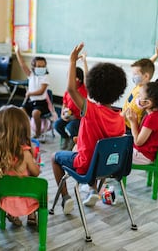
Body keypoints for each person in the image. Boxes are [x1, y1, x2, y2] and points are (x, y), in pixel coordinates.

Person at [51, 42, 127, 214]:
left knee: (55, 157)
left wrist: (72, 61)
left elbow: (71, 88)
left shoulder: (90, 110)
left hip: (87, 166)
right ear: (120, 91)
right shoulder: (120, 117)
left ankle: (65, 198)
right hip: (109, 168)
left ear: (91, 88)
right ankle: (93, 190)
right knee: (92, 153)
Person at [0, 105, 41, 226]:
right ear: (23, 129)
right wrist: (36, 164)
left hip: (0, 198)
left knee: (5, 184)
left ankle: (12, 214)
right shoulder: (25, 153)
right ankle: (31, 214)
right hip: (24, 197)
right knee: (33, 183)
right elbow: (36, 173)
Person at [125, 78, 158, 165]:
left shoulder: (152, 119)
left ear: (147, 103)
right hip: (141, 154)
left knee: (113, 153)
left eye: (139, 96)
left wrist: (133, 123)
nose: (137, 98)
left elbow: (138, 142)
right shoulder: (152, 115)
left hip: (142, 156)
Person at [122, 42, 158, 132]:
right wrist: (156, 55)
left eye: (135, 74)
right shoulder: (141, 85)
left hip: (128, 127)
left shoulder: (143, 95)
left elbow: (128, 113)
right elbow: (146, 67)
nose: (133, 76)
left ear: (146, 76)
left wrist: (114, 119)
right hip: (124, 121)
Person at [14, 44, 50, 139]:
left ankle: (38, 132)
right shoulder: (31, 75)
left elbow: (41, 91)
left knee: (35, 113)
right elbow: (22, 64)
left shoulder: (45, 77)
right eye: (38, 66)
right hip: (31, 102)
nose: (41, 68)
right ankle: (25, 130)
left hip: (41, 104)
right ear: (33, 67)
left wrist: (30, 93)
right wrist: (17, 52)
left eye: (43, 66)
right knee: (20, 111)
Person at [54, 52, 88, 150]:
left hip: (79, 118)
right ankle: (66, 138)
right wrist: (62, 115)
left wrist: (84, 61)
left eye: (73, 77)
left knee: (71, 127)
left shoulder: (83, 89)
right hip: (69, 116)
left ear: (79, 79)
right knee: (57, 124)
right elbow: (64, 104)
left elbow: (87, 75)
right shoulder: (67, 91)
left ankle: (74, 141)